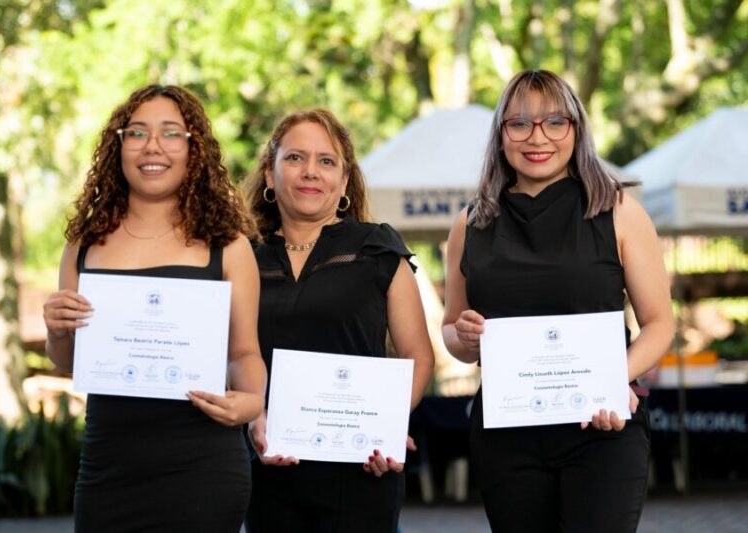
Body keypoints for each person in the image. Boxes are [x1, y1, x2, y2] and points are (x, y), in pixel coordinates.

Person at [442, 70, 674, 533]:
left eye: (554, 122)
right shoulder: (469, 224)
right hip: (506, 433)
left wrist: (612, 380)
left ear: (576, 129)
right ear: (501, 135)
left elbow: (660, 324)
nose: (537, 137)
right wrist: (464, 337)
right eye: (520, 124)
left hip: (602, 425)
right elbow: (452, 331)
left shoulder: (619, 210)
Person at [42, 84, 266, 532]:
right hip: (110, 466)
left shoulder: (228, 246)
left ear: (192, 149)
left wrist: (251, 403)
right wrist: (57, 329)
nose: (153, 147)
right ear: (119, 146)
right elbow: (70, 362)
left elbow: (243, 354)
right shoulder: (84, 245)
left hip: (203, 467)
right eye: (137, 133)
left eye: (170, 133)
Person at [241, 109, 435, 533]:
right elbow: (229, 354)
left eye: (326, 161)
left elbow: (418, 354)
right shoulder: (242, 257)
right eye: (295, 158)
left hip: (361, 471)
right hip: (268, 467)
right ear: (270, 175)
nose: (311, 172)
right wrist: (255, 418)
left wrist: (388, 423)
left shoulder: (377, 249)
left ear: (344, 181)